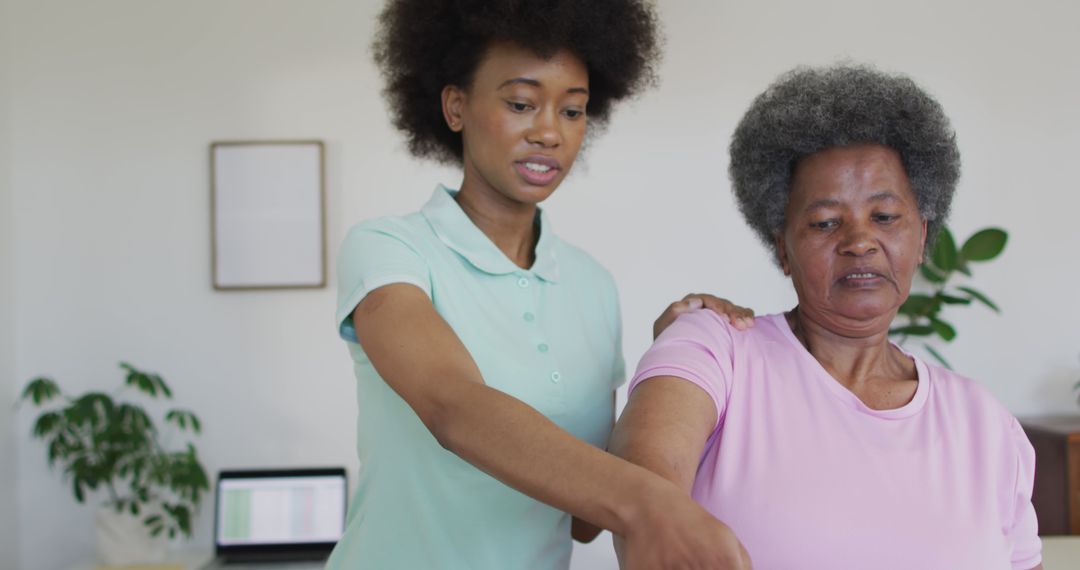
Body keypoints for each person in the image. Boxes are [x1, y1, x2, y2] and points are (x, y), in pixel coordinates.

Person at [327, 1, 754, 569]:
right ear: (456, 106)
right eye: (521, 104)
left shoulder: (591, 286)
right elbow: (453, 406)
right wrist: (649, 503)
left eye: (573, 111)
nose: (550, 132)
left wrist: (673, 356)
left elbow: (582, 522)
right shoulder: (390, 250)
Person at [610, 64, 1043, 570]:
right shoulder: (716, 350)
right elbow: (640, 494)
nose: (860, 241)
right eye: (825, 222)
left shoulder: (985, 423)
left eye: (884, 217)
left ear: (922, 236)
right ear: (783, 248)